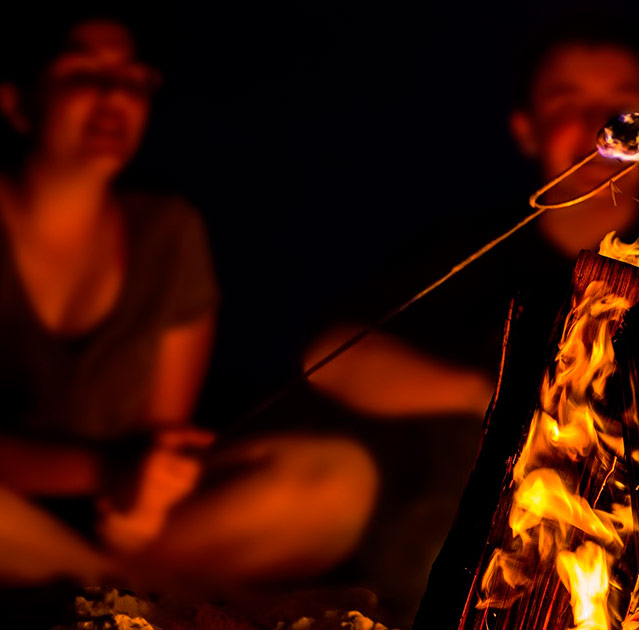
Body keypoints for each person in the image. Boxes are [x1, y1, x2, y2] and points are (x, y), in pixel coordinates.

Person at [0, 11, 377, 592]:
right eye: (83, 73)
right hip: (15, 514)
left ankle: (96, 580)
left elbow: (161, 438)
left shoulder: (168, 234)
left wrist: (144, 500)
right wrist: (105, 471)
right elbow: (120, 466)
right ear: (16, 101)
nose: (112, 96)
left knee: (339, 478)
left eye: (131, 81)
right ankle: (105, 586)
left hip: (113, 525)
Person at [306, 24, 639, 419]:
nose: (603, 129)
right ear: (527, 131)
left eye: (626, 108)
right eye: (567, 104)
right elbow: (331, 358)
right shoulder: (471, 253)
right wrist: (496, 401)